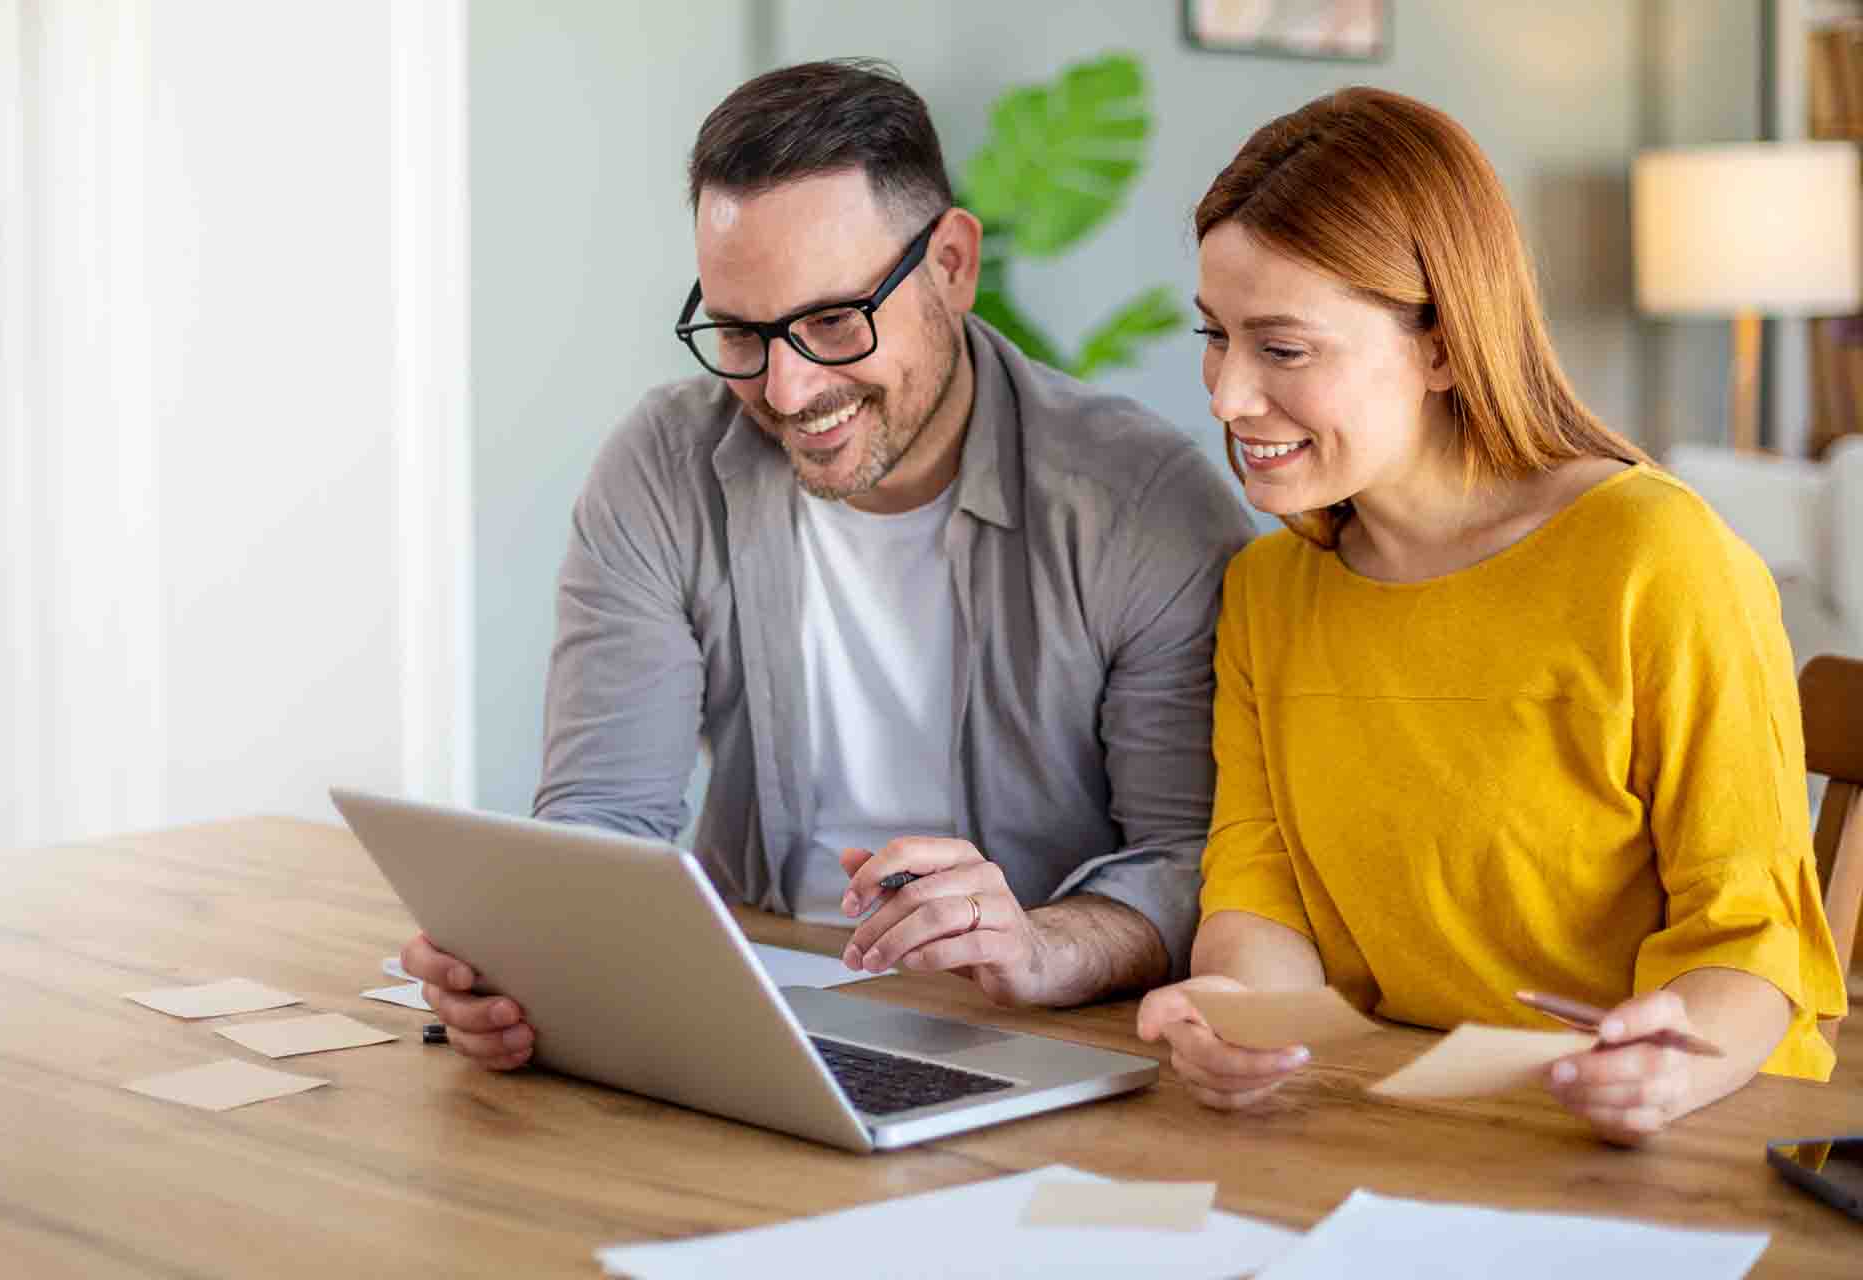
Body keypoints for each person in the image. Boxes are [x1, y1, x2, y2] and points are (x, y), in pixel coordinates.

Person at [403, 59, 1255, 1071]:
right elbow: (606, 813)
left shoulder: (1141, 507)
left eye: (832, 322)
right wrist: (533, 951)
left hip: (1038, 1039)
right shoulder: (665, 469)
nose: (788, 385)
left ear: (951, 263)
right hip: (754, 1011)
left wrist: (1041, 943)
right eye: (740, 332)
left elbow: (1191, 859)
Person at [1134, 87, 1849, 1143]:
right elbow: (1261, 893)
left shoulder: (1658, 560)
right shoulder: (1268, 589)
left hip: (1677, 1135)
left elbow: (1751, 938)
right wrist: (1242, 1017)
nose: (1226, 395)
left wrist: (1666, 1061)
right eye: (1215, 335)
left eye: (1282, 348)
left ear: (1440, 345)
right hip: (1387, 1120)